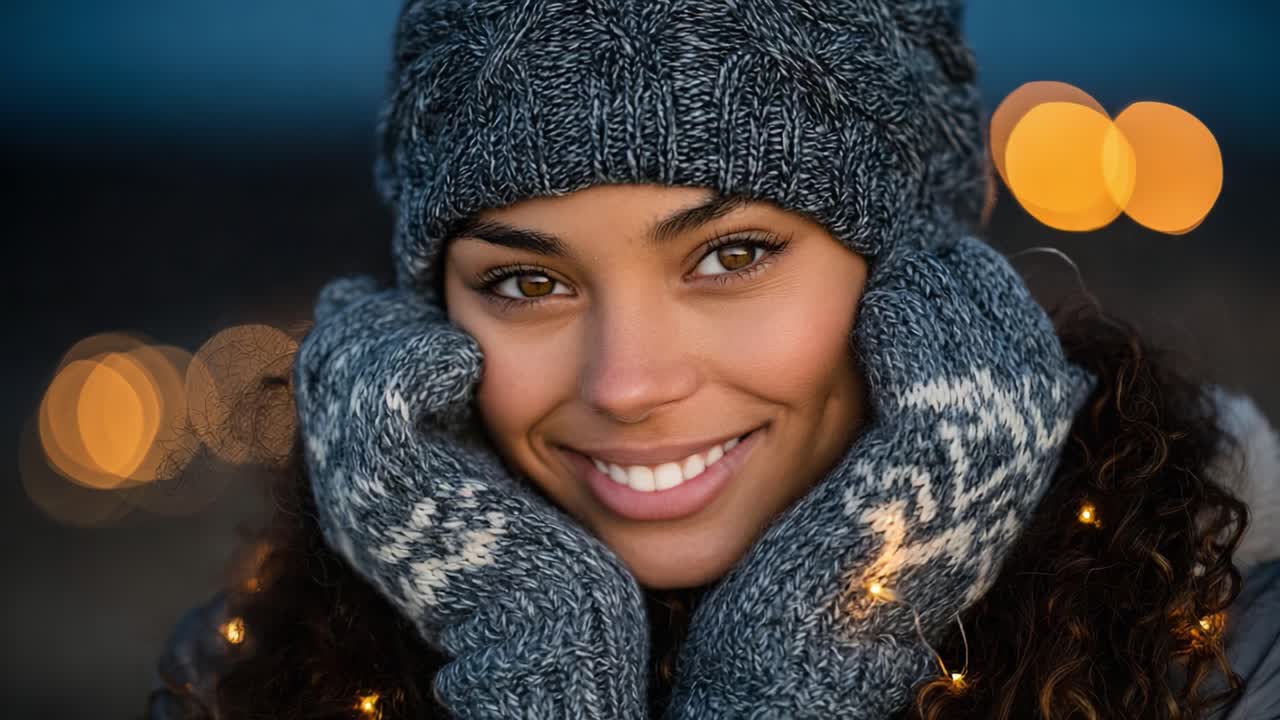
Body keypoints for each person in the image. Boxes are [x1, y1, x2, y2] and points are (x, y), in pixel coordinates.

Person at [145, 0, 1280, 718]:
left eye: (731, 255)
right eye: (526, 283)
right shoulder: (255, 678)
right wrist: (532, 661)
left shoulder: (1220, 653)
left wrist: (814, 651)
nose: (627, 383)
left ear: (926, 272)